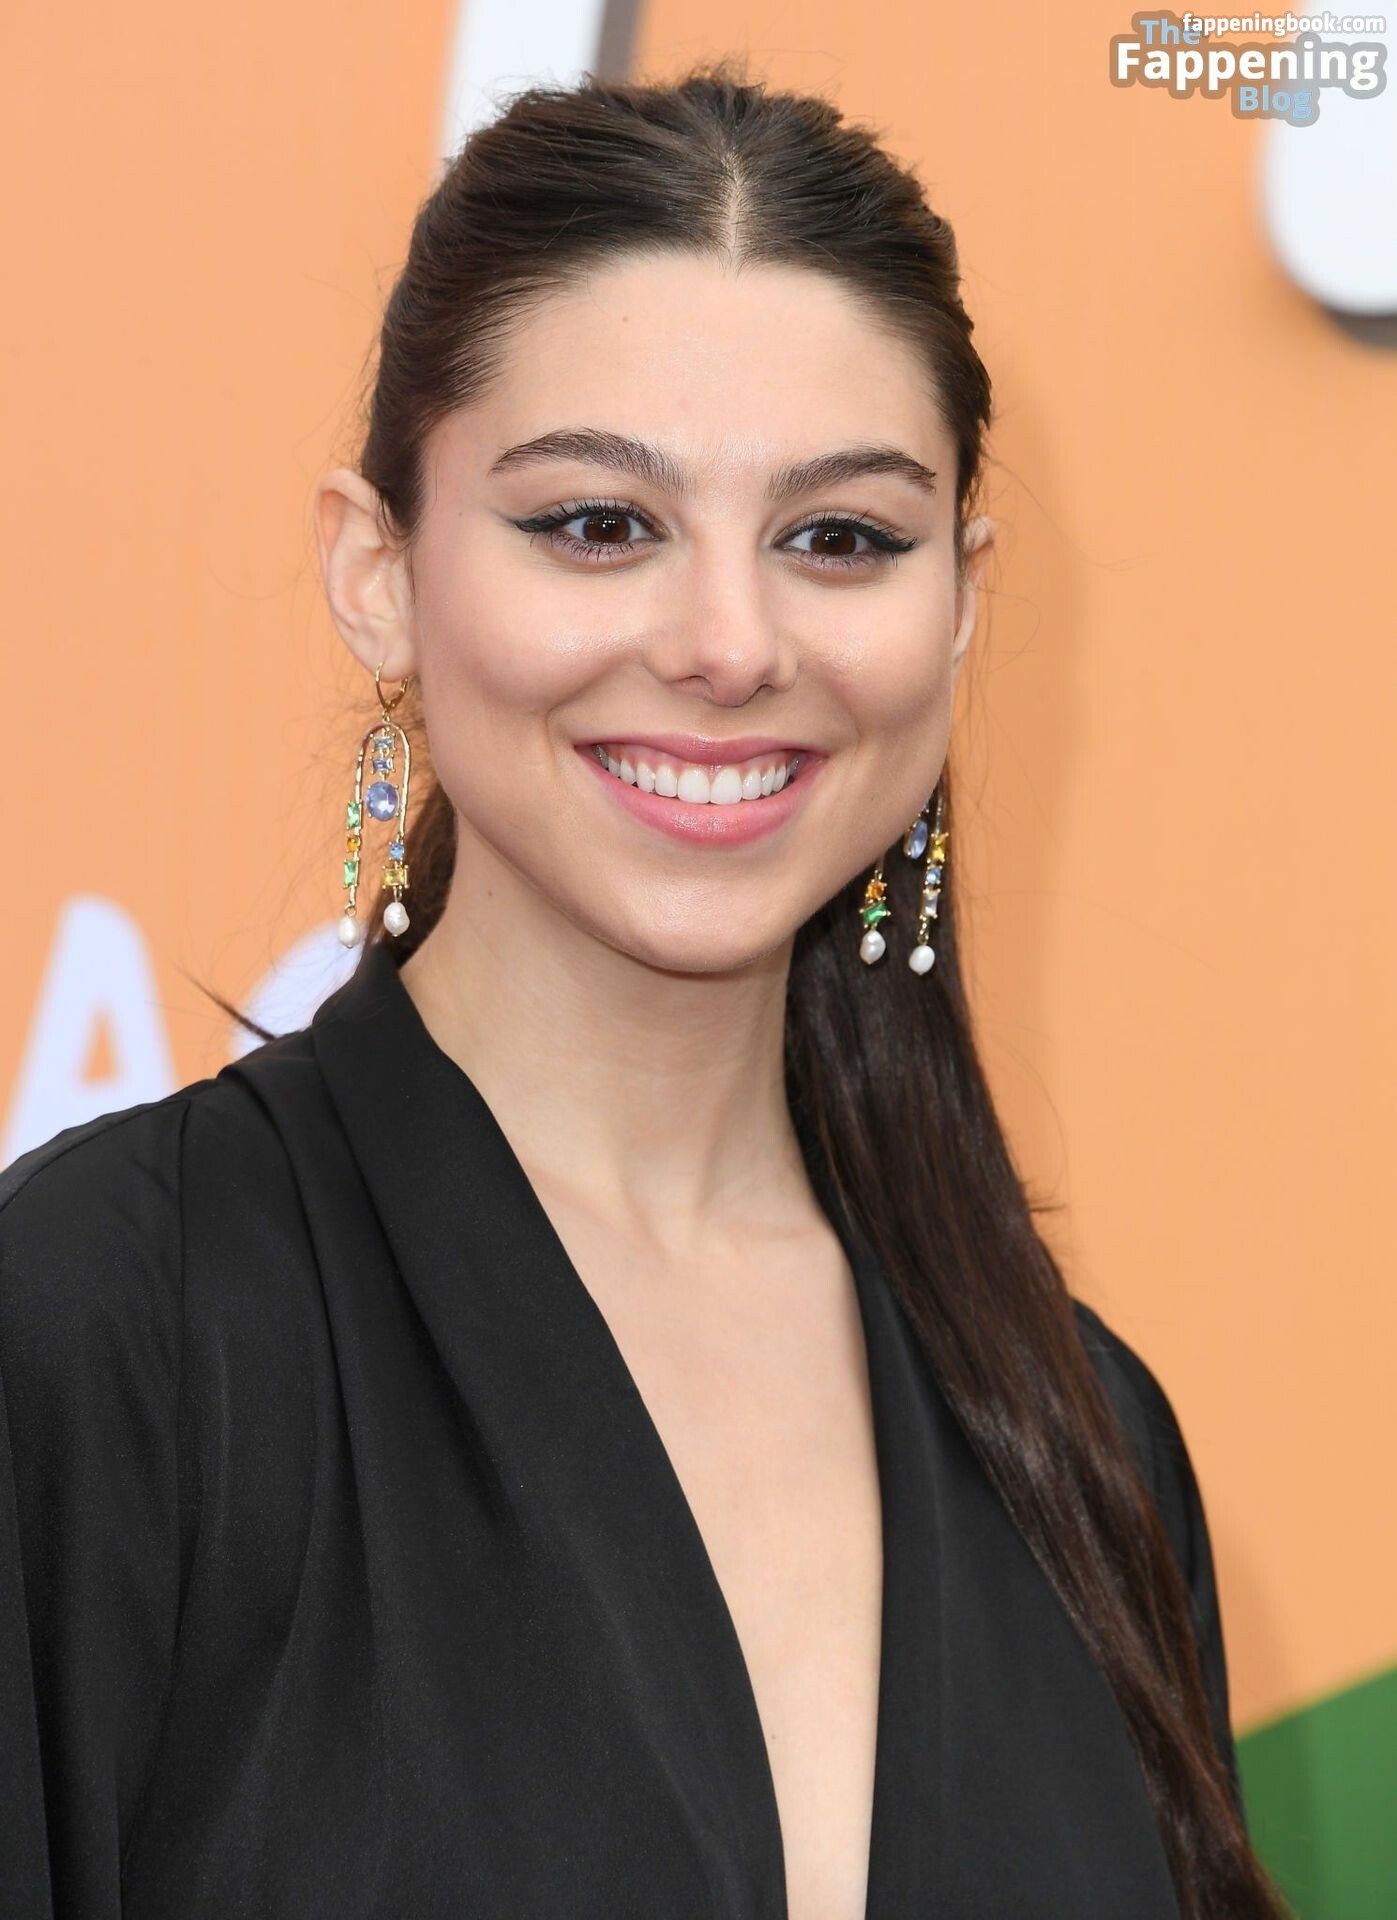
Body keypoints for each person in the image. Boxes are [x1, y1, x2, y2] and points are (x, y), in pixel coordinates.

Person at [0, 58, 1291, 1920]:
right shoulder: (102, 1334)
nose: (728, 645)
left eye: (838, 537)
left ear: (958, 603)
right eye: (600, 523)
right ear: (377, 571)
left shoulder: (1083, 1437)